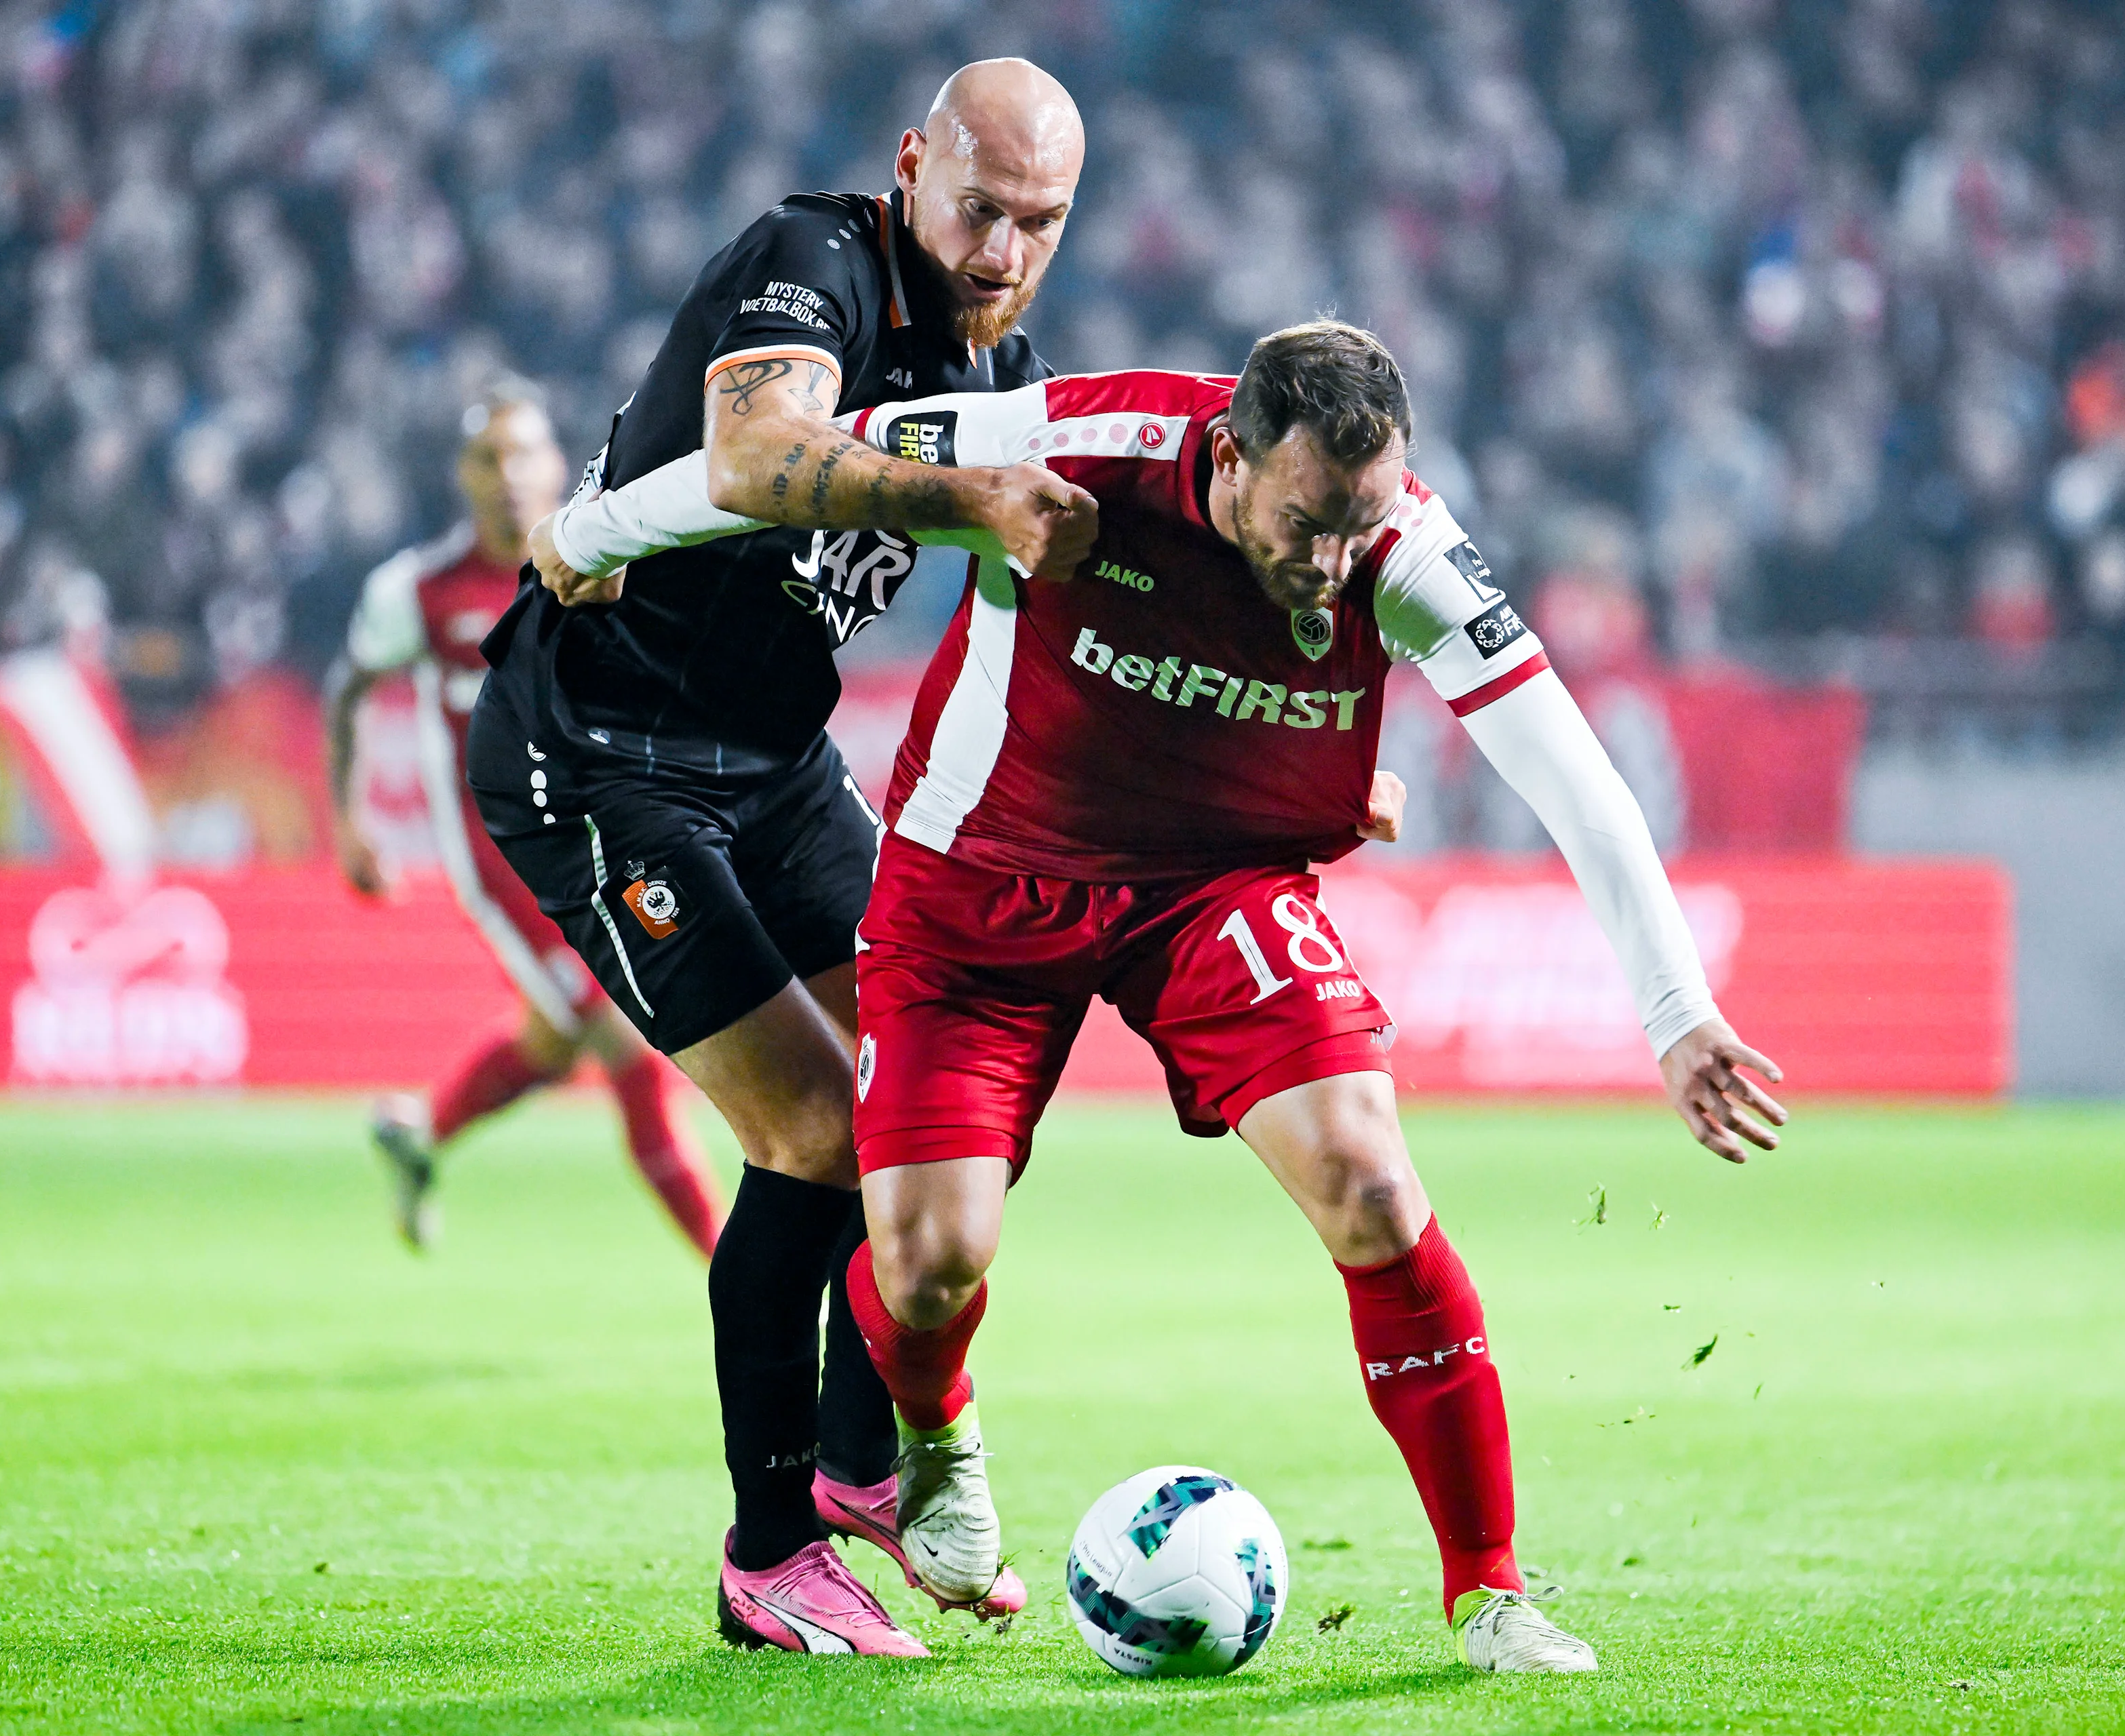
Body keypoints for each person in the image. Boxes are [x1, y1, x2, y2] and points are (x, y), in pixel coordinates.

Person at [571, 321, 1792, 1674]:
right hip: (983, 877)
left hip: (1213, 889)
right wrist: (602, 528)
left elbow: (1573, 779)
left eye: (1360, 522)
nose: (1332, 559)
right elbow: (787, 456)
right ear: (1229, 456)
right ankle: (933, 1426)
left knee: (1373, 1185)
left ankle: (1489, 1588)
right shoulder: (1076, 445)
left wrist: (1676, 1013)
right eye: (1307, 519)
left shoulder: (1404, 553)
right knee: (927, 1264)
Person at [469, 59, 1100, 1656]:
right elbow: (757, 459)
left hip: (776, 765)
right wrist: (968, 492)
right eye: (979, 208)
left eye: (1040, 223)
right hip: (604, 755)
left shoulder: (1003, 362)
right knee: (820, 1134)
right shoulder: (809, 262)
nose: (1002, 250)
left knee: (947, 1092)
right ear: (911, 169)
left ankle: (855, 1459)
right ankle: (768, 1556)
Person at [324, 382, 721, 1257]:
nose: (508, 476)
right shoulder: (420, 592)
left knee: (556, 1038)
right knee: (626, 1035)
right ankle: (741, 1275)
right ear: (463, 476)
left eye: (524, 454)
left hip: (603, 841)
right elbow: (348, 687)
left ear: (555, 462)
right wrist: (349, 823)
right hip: (503, 860)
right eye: (488, 459)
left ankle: (420, 1138)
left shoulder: (606, 555)